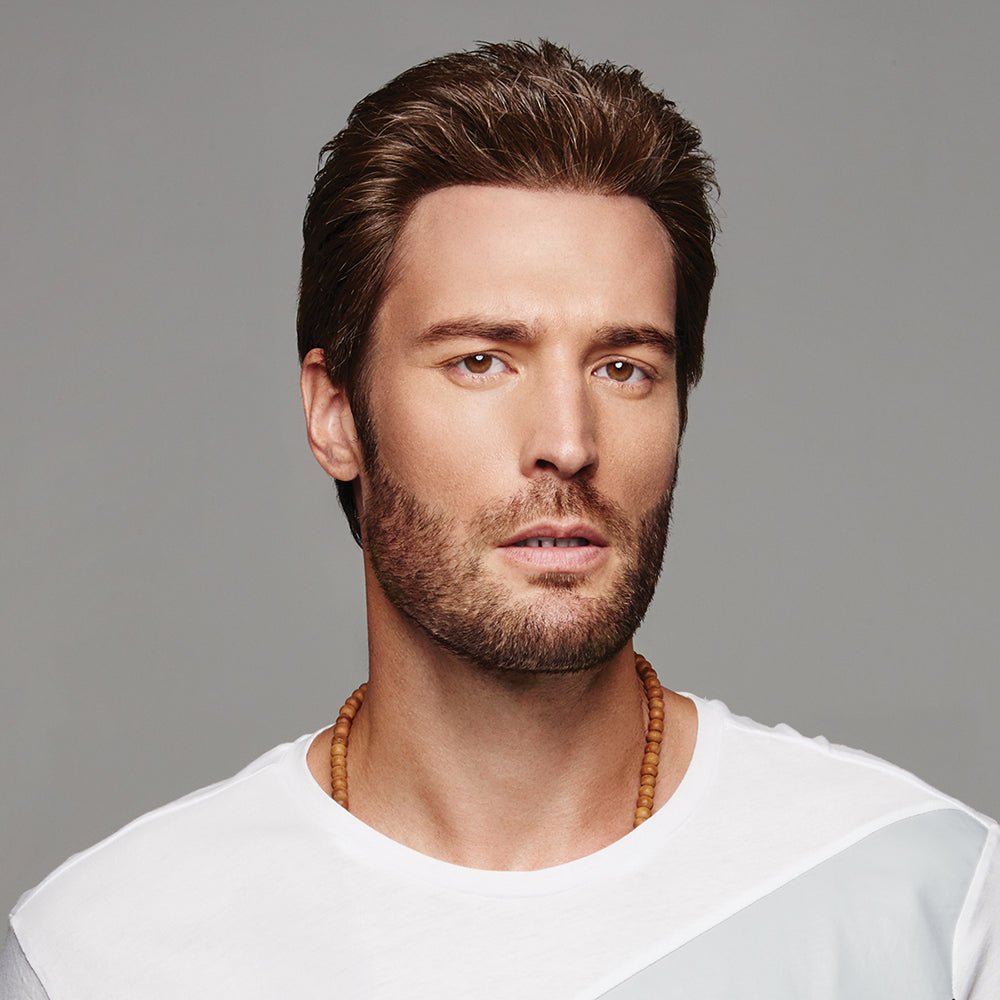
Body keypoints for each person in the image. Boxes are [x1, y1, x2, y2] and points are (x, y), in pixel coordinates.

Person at [2, 38, 996, 999]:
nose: (567, 440)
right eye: (480, 360)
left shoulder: (929, 899)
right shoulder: (102, 955)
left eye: (623, 367)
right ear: (336, 414)